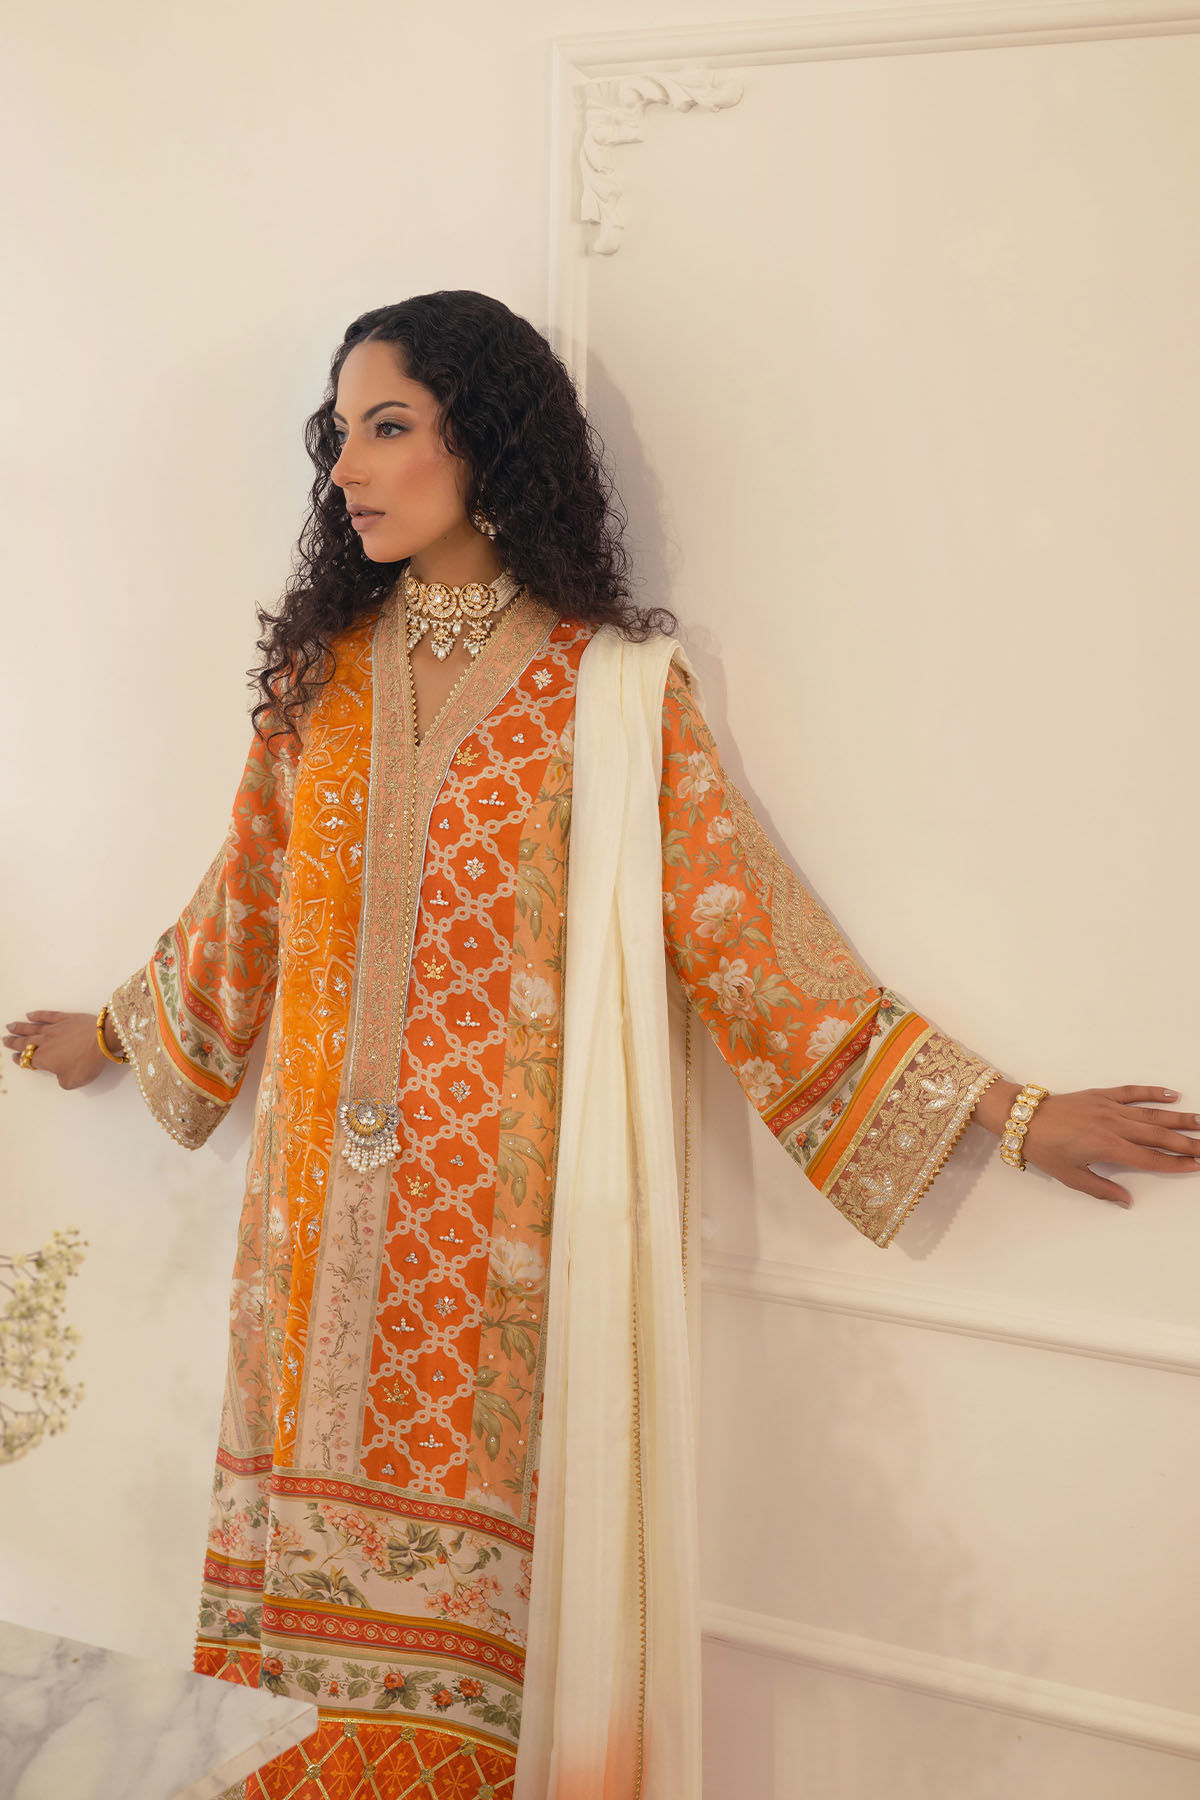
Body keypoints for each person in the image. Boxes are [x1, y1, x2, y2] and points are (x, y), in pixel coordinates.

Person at [6, 290, 1197, 1800]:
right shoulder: (319, 685)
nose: (347, 468)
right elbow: (244, 899)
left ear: (486, 442)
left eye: (388, 426)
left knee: (476, 1679)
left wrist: (1011, 1114)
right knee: (274, 1698)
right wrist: (115, 1033)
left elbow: (750, 939)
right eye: (338, 434)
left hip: (498, 1254)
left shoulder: (611, 694)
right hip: (303, 1248)